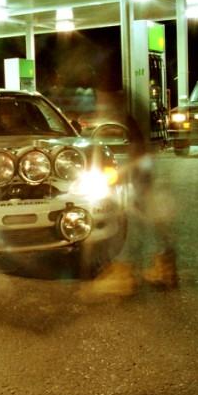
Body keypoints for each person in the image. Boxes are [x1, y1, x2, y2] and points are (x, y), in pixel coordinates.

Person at [81, 105, 179, 298]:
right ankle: (164, 265)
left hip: (128, 124)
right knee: (142, 197)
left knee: (135, 201)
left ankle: (125, 274)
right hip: (136, 138)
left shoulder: (112, 98)